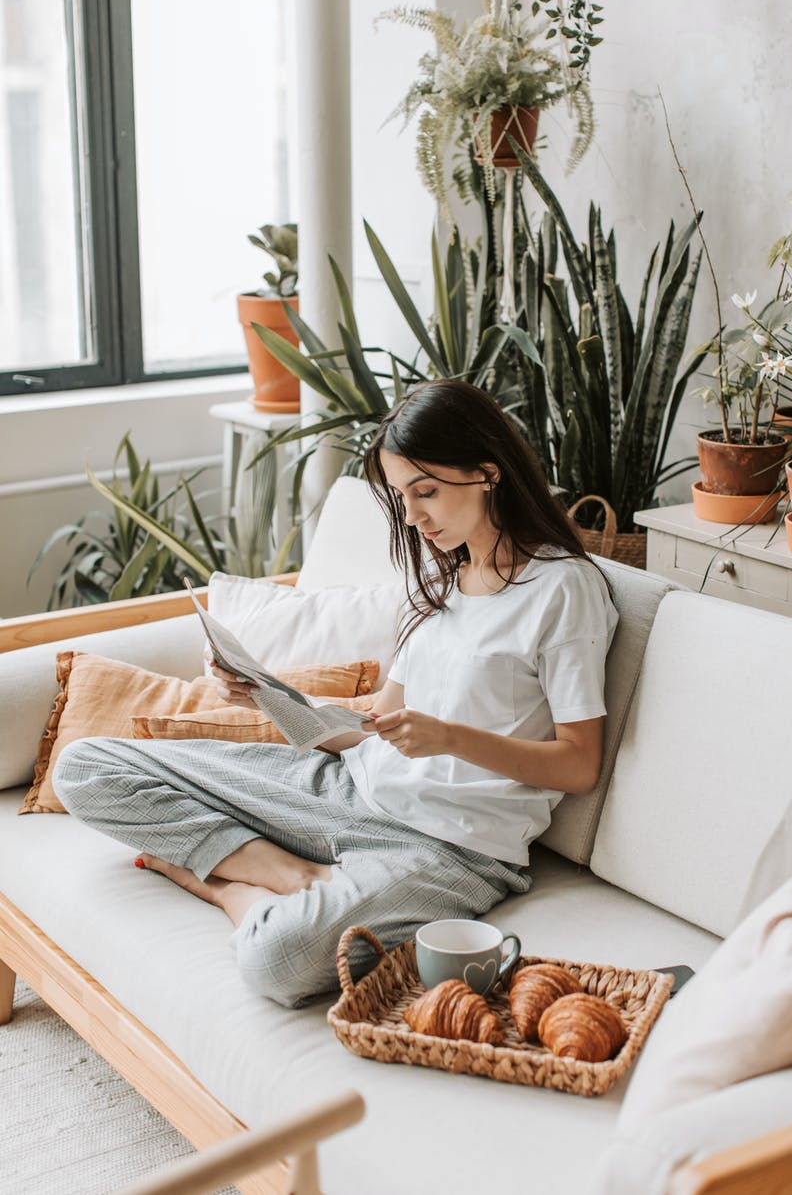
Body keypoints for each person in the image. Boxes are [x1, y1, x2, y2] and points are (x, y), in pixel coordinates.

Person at [53, 380, 618, 1007]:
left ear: (487, 474)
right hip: (346, 788)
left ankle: (226, 885)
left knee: (277, 961)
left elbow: (579, 764)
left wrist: (448, 738)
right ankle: (294, 876)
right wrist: (264, 698)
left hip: (450, 845)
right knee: (85, 767)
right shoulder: (441, 579)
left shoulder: (563, 591)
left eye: (425, 492)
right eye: (402, 497)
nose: (414, 517)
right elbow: (380, 724)